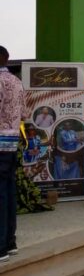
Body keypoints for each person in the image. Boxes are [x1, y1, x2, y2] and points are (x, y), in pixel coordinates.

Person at [0, 46, 28, 262]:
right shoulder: (17, 82)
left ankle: (1, 247)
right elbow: (24, 114)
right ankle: (10, 242)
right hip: (11, 142)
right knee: (8, 191)